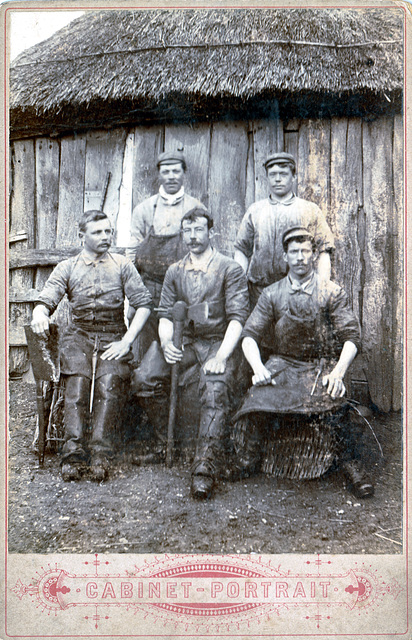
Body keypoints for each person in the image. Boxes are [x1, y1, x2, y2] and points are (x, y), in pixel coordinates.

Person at [232, 226, 374, 499]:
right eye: (294, 252)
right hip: (283, 364)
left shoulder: (331, 292)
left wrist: (338, 372)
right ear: (285, 256)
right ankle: (247, 460)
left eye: (305, 252)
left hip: (321, 366)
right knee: (256, 401)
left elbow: (352, 337)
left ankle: (351, 465)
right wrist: (258, 367)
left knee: (335, 404)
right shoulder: (272, 294)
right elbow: (249, 335)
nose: (299, 258)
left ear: (313, 256)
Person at [132, 207, 249, 499]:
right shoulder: (175, 271)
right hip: (184, 342)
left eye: (199, 230)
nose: (193, 236)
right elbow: (165, 313)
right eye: (188, 230)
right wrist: (167, 341)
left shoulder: (229, 269)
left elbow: (237, 318)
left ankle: (204, 466)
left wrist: (222, 356)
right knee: (144, 378)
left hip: (217, 343)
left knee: (214, 389)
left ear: (211, 232)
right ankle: (170, 442)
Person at [31, 211, 152, 482]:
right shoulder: (68, 267)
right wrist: (39, 314)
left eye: (108, 231)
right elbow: (46, 300)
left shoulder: (121, 265)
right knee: (77, 383)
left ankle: (100, 454)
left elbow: (144, 304)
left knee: (109, 383)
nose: (105, 237)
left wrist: (126, 341)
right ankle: (72, 454)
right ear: (81, 236)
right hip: (79, 336)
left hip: (113, 335)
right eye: (97, 232)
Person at [126, 149, 206, 357]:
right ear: (159, 175)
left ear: (184, 174)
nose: (171, 176)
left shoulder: (195, 207)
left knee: (182, 343)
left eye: (176, 171)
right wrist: (133, 295)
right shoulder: (144, 209)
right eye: (166, 171)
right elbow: (132, 251)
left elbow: (202, 249)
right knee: (144, 344)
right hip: (150, 287)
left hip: (184, 287)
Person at [234, 152, 335, 310]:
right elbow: (241, 250)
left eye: (283, 174)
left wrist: (321, 289)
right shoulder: (256, 210)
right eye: (272, 174)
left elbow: (324, 251)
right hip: (259, 292)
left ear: (293, 177)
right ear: (267, 178)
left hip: (298, 292)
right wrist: (238, 288)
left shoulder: (309, 210)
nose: (278, 179)